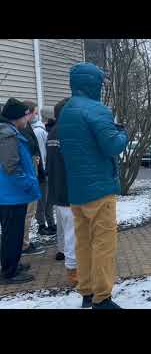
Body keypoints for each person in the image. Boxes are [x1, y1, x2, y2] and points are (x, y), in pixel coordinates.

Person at [58, 62, 128, 309]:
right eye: (100, 81)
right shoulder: (97, 110)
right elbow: (112, 146)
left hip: (77, 190)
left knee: (84, 242)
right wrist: (123, 134)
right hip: (99, 189)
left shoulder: (66, 111)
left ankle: (87, 291)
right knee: (103, 244)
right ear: (92, 83)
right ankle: (102, 298)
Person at [0, 98, 41, 284]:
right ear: (17, 117)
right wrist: (28, 184)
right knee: (12, 234)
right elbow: (11, 167)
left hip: (11, 193)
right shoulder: (8, 136)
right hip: (12, 195)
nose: (28, 118)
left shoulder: (9, 132)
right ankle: (9, 272)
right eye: (26, 115)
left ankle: (12, 263)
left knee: (12, 233)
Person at [47, 98, 77, 285]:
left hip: (57, 190)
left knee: (62, 230)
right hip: (68, 191)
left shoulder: (52, 133)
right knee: (72, 233)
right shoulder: (67, 132)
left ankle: (64, 254)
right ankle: (74, 272)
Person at [18, 103, 47, 256]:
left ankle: (25, 241)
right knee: (28, 212)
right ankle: (23, 244)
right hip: (28, 176)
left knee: (29, 212)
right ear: (28, 113)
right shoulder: (21, 130)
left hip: (32, 174)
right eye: (34, 113)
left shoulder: (26, 128)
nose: (36, 116)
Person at [26, 103, 56, 237]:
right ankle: (43, 224)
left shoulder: (40, 130)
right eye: (35, 112)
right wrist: (44, 169)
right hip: (43, 170)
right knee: (43, 200)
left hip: (44, 169)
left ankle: (50, 223)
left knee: (48, 198)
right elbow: (42, 152)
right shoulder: (39, 131)